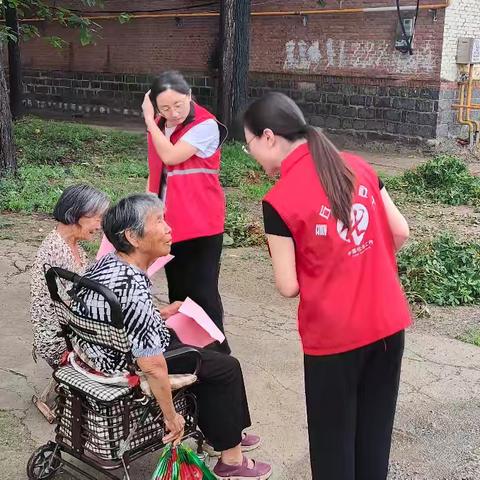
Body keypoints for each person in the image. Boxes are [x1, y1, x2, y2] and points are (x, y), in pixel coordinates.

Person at [242, 92, 412, 480]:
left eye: (249, 144)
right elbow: (399, 231)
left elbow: (287, 285)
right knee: (374, 436)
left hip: (334, 338)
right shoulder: (358, 166)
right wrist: (362, 261)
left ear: (269, 137)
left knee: (333, 444)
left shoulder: (279, 199)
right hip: (387, 323)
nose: (252, 154)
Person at [70, 193, 271, 480]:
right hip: (124, 362)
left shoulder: (107, 264)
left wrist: (160, 314)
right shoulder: (134, 287)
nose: (169, 228)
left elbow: (117, 315)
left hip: (102, 348)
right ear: (133, 237)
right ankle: (230, 459)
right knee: (226, 367)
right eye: (159, 221)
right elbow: (151, 365)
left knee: (198, 349)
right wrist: (171, 418)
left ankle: (225, 433)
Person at [141, 70, 230, 354]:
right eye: (164, 107)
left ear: (190, 96)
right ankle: (187, 349)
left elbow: (170, 155)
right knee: (177, 291)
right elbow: (157, 169)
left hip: (202, 224)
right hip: (170, 224)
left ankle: (218, 353)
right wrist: (148, 207)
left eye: (179, 104)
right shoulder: (160, 123)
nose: (173, 112)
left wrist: (148, 121)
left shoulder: (205, 126)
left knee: (202, 292)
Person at [30, 184, 109, 421]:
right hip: (60, 339)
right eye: (96, 218)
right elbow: (78, 306)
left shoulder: (71, 246)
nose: (99, 225)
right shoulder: (57, 252)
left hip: (67, 329)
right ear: (76, 215)